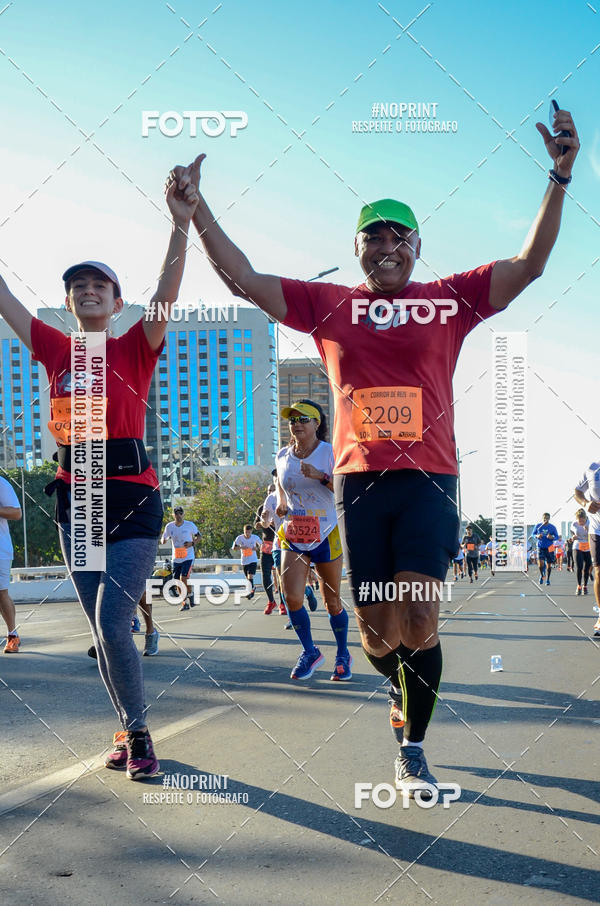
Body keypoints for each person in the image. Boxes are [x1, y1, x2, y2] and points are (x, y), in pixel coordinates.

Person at [168, 106, 579, 794]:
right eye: (373, 237)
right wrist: (197, 209)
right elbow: (243, 279)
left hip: (429, 481)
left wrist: (559, 176)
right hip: (359, 486)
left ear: (418, 246)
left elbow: (529, 264)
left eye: (399, 237)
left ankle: (412, 747)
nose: (387, 247)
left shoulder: (448, 300)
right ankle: (396, 683)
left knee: (420, 614)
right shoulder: (330, 304)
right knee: (378, 637)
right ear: (357, 248)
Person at [0, 172, 199, 779]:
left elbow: (166, 291)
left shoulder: (136, 345)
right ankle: (129, 724)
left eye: (100, 285)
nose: (88, 291)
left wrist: (180, 222)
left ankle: (139, 736)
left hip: (133, 498)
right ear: (68, 303)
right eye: (78, 286)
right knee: (102, 629)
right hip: (77, 498)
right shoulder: (56, 350)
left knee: (114, 621)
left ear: (116, 303)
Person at [275, 400, 351, 681]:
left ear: (317, 423)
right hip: (295, 532)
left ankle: (342, 654)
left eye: (303, 419)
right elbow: (281, 485)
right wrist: (281, 503)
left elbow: (345, 490)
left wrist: (321, 476)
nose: (296, 424)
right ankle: (310, 651)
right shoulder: (282, 455)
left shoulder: (330, 452)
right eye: (292, 420)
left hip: (327, 531)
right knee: (292, 597)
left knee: (332, 601)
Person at [574, 466, 600, 636]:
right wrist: (585, 503)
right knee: (599, 572)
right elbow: (577, 491)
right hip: (597, 530)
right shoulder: (592, 469)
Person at [161, 505, 199, 611]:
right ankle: (185, 602)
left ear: (183, 514)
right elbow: (164, 537)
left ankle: (190, 595)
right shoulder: (169, 526)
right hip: (176, 558)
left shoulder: (190, 525)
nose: (178, 515)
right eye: (176, 513)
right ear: (173, 515)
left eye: (180, 513)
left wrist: (192, 543)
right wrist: (163, 540)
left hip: (188, 556)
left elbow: (199, 536)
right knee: (177, 581)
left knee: (184, 578)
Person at [0, 476, 23, 653]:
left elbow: (16, 513)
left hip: (0, 549)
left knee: (1, 593)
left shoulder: (1, 484)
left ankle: (12, 636)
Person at [255, 504, 277, 614]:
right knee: (265, 576)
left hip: (280, 546)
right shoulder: (262, 508)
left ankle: (283, 603)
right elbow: (256, 526)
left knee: (282, 577)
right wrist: (263, 523)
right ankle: (271, 601)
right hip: (266, 547)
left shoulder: (283, 505)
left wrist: (275, 523)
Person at [232, 525, 262, 600]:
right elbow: (234, 548)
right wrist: (241, 547)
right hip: (244, 561)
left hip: (253, 560)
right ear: (243, 531)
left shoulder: (255, 537)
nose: (247, 534)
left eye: (249, 532)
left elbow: (262, 545)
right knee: (247, 578)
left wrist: (257, 548)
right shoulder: (239, 538)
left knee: (250, 576)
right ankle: (252, 589)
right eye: (246, 532)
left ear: (251, 531)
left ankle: (250, 592)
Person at [533, 513, 559, 586]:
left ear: (549, 518)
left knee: (549, 565)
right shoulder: (538, 526)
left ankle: (548, 579)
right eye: (544, 518)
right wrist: (537, 536)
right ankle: (542, 575)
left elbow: (557, 537)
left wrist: (552, 537)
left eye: (547, 518)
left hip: (549, 547)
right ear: (542, 518)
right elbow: (533, 534)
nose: (545, 519)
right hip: (540, 547)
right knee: (540, 564)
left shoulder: (552, 527)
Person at [571, 509, 591, 596]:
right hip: (578, 545)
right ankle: (579, 585)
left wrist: (589, 530)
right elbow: (572, 532)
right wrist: (573, 536)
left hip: (588, 546)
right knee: (579, 566)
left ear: (585, 518)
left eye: (583, 521)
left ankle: (585, 586)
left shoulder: (590, 523)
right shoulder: (574, 524)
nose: (581, 523)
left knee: (587, 567)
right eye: (579, 521)